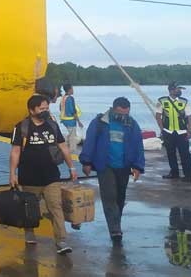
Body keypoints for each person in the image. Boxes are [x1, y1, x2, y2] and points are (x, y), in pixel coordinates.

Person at [9, 94, 78, 255]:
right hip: (29, 178)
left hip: (51, 177)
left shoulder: (52, 125)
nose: (45, 111)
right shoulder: (21, 127)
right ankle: (29, 232)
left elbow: (63, 147)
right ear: (31, 110)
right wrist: (12, 173)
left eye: (47, 108)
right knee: (30, 209)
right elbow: (15, 151)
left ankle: (61, 241)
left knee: (56, 207)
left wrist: (72, 168)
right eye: (41, 109)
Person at [79, 96, 144, 244]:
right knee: (109, 196)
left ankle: (116, 222)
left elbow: (138, 145)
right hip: (105, 165)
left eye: (126, 114)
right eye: (120, 113)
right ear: (113, 109)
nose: (123, 116)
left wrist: (138, 166)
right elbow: (90, 141)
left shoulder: (132, 124)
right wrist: (86, 162)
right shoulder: (100, 123)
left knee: (120, 197)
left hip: (124, 166)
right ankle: (115, 229)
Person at [156, 82, 191, 182]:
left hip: (182, 132)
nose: (180, 91)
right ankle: (174, 173)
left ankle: (188, 175)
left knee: (185, 154)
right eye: (178, 89)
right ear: (171, 90)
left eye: (180, 89)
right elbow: (158, 116)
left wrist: (190, 130)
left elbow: (189, 117)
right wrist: (162, 129)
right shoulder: (162, 101)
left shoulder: (184, 101)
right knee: (170, 153)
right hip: (168, 132)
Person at [59, 84, 83, 153]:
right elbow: (73, 111)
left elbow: (60, 108)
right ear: (69, 90)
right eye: (72, 89)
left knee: (70, 134)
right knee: (73, 137)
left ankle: (63, 147)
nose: (73, 90)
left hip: (64, 120)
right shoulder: (70, 98)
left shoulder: (63, 98)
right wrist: (79, 122)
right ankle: (72, 151)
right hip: (70, 120)